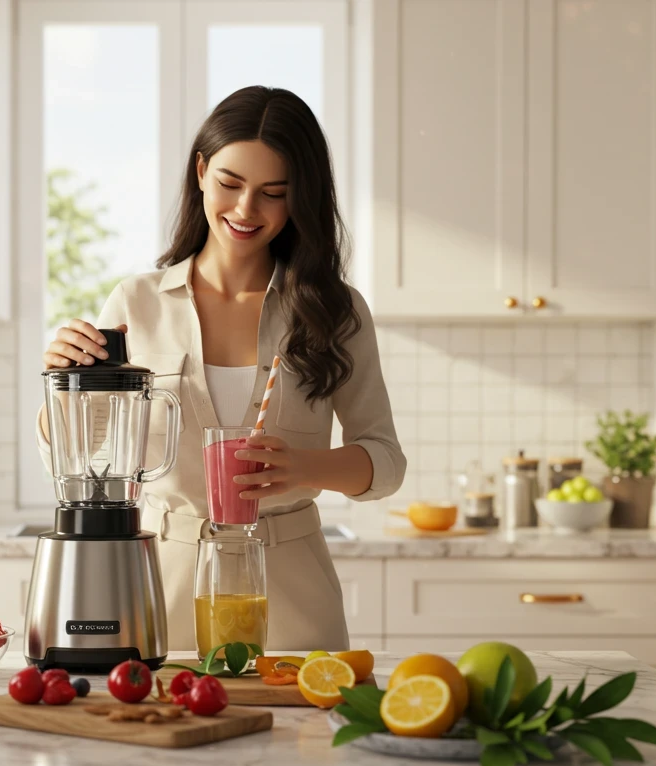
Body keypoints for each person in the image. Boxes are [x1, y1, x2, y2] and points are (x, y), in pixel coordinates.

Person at [36, 86, 405, 652]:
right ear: (202, 171)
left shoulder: (337, 311)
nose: (244, 210)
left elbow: (385, 463)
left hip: (293, 597)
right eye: (230, 184)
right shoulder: (137, 304)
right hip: (160, 590)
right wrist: (66, 389)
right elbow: (88, 460)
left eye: (272, 193)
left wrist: (303, 467)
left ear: (299, 199)